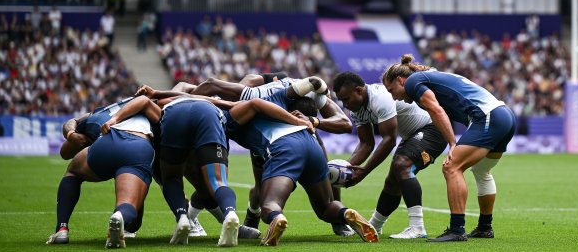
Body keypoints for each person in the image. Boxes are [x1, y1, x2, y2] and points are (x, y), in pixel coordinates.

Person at [382, 55, 516, 242]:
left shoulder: (412, 81)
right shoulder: (429, 76)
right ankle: (485, 227)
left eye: (391, 90)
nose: (393, 96)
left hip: (487, 116)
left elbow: (437, 110)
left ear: (400, 80)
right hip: (504, 115)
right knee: (481, 170)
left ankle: (456, 230)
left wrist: (452, 143)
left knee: (451, 167)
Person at [220, 90, 379, 245]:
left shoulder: (230, 119)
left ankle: (277, 217)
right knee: (325, 208)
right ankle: (345, 213)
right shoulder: (276, 103)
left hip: (284, 147)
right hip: (310, 141)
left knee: (269, 204)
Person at [333, 71, 447, 239]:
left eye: (346, 99)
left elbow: (389, 140)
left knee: (402, 165)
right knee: (393, 180)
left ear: (358, 90)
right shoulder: (357, 109)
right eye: (342, 101)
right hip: (412, 136)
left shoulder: (380, 97)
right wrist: (346, 167)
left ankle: (417, 227)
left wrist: (364, 171)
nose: (345, 105)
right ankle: (374, 226)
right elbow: (366, 144)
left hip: (434, 129)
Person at [47, 96, 160, 247]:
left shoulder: (98, 114)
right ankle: (120, 216)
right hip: (137, 146)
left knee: (73, 172)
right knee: (128, 206)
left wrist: (72, 135)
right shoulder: (152, 105)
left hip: (106, 142)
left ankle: (61, 229)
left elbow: (65, 152)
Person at [157, 96, 240, 246]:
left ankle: (182, 217)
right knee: (218, 182)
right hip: (208, 114)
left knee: (171, 178)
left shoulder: (170, 99)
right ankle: (230, 213)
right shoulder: (213, 104)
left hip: (174, 114)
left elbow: (158, 103)